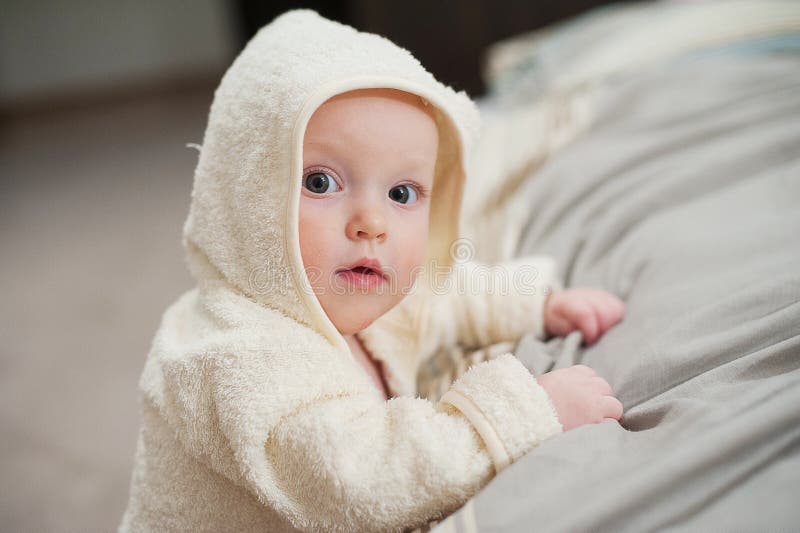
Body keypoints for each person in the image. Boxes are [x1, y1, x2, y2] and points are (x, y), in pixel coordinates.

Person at [119, 9, 624, 533]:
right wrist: (523, 411)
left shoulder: (349, 288)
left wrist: (535, 304)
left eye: (401, 193)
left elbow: (437, 300)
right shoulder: (234, 357)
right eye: (321, 182)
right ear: (244, 190)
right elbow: (358, 480)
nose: (372, 223)